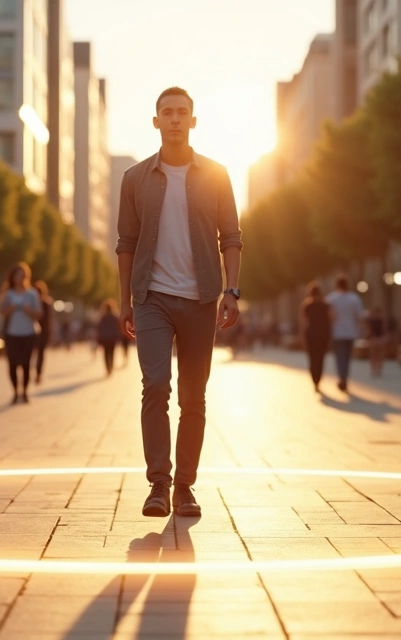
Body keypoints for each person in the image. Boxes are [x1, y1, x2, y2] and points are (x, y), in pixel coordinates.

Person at [116, 86, 243, 519]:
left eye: (181, 113)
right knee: (155, 386)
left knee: (194, 396)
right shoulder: (134, 178)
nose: (174, 119)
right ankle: (158, 485)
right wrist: (125, 301)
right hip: (151, 298)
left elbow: (233, 237)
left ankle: (185, 487)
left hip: (202, 297)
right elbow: (126, 243)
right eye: (166, 112)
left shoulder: (216, 174)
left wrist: (232, 291)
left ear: (193, 120)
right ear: (155, 121)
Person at [0, 262, 42, 404]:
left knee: (26, 363)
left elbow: (39, 314)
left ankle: (24, 392)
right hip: (12, 333)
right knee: (12, 363)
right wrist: (11, 308)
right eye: (17, 276)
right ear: (13, 278)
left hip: (29, 332)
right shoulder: (8, 294)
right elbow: (1, 312)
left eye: (23, 276)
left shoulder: (32, 294)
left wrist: (27, 309)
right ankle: (15, 391)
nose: (20, 279)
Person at [326, 275, 365, 392]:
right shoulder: (354, 298)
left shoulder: (331, 299)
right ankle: (345, 378)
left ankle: (341, 377)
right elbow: (360, 316)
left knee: (339, 357)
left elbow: (328, 316)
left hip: (337, 332)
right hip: (350, 332)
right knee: (347, 358)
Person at [299, 282, 332, 393]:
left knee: (312, 358)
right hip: (323, 334)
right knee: (321, 358)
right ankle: (318, 379)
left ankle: (315, 380)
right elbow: (332, 318)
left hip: (311, 335)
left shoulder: (307, 305)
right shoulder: (326, 305)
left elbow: (303, 322)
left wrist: (303, 336)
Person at [33, 280, 55, 384]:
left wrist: (49, 333)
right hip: (32, 331)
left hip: (43, 332)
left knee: (40, 354)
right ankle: (33, 372)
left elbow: (48, 320)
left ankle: (38, 373)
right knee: (33, 354)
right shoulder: (32, 304)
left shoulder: (46, 304)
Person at [96, 300, 121, 376]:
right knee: (112, 352)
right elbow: (118, 327)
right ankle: (111, 367)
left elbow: (99, 328)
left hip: (104, 338)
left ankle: (108, 368)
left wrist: (98, 337)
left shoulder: (103, 317)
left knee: (106, 353)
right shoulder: (115, 317)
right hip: (112, 338)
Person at [366, 306, 389, 377]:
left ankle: (377, 369)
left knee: (378, 355)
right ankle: (375, 369)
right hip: (375, 338)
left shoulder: (380, 320)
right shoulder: (372, 320)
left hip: (378, 338)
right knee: (375, 355)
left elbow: (384, 329)